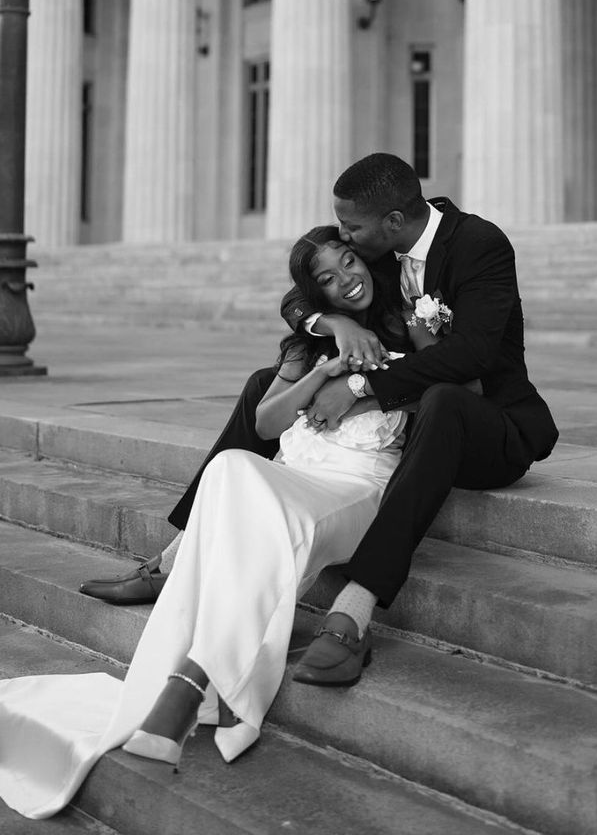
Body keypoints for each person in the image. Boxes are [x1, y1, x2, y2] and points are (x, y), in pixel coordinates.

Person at [82, 153, 558, 688]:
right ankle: (176, 557)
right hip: (420, 411)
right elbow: (300, 294)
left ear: (393, 222)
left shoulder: (478, 245)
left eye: (352, 227)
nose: (345, 238)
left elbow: (471, 354)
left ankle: (354, 613)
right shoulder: (382, 250)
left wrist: (359, 386)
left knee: (444, 399)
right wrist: (331, 321)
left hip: (490, 425)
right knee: (269, 380)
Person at [0, 226, 410, 820]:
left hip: (354, 488)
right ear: (314, 293)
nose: (347, 279)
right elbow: (267, 425)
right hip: (292, 476)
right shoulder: (307, 341)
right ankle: (199, 680)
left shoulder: (412, 327)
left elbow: (443, 386)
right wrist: (323, 370)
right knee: (232, 468)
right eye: (327, 277)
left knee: (257, 519)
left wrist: (357, 383)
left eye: (350, 261)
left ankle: (187, 680)